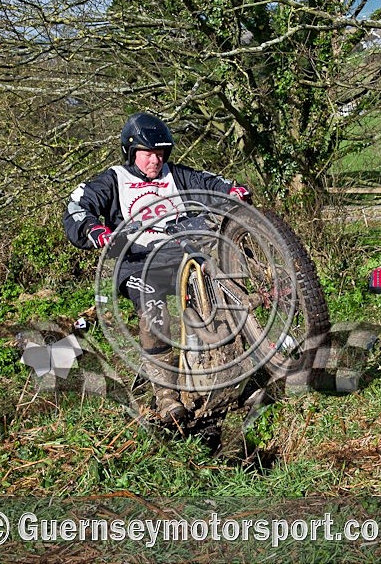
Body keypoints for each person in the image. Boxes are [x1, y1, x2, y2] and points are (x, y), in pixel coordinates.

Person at [63, 112, 250, 424]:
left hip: (183, 252)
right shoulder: (112, 180)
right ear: (131, 152)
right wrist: (94, 230)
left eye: (161, 153)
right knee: (154, 314)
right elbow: (77, 208)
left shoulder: (176, 175)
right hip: (138, 262)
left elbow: (210, 182)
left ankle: (230, 361)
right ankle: (166, 396)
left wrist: (231, 191)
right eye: (148, 153)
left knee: (221, 285)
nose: (156, 160)